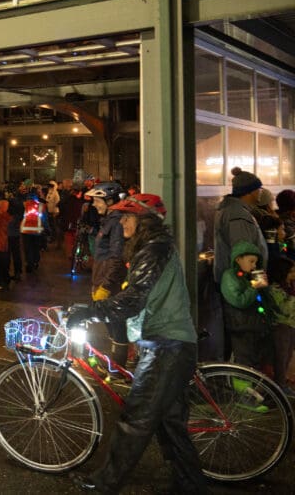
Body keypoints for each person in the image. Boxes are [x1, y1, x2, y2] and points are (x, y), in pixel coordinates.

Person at [68, 194, 207, 494]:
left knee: (136, 419)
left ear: (143, 221)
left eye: (127, 218)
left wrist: (89, 311)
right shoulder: (154, 248)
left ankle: (105, 483)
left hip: (166, 346)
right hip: (171, 342)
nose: (122, 223)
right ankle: (190, 484)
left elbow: (134, 299)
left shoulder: (154, 250)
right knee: (169, 423)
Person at [84, 181, 129, 371]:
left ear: (109, 200)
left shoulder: (117, 222)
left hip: (109, 282)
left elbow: (116, 257)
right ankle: (115, 365)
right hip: (102, 277)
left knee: (116, 325)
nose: (94, 204)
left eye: (97, 200)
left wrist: (106, 286)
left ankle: (118, 369)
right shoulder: (110, 220)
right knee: (111, 323)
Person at [220, 240, 272, 370]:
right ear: (238, 259)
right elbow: (239, 301)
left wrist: (264, 287)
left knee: (257, 362)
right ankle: (242, 390)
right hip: (241, 328)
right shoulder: (229, 276)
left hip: (257, 326)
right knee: (244, 364)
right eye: (251, 261)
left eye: (256, 262)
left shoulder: (249, 276)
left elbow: (265, 301)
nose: (254, 265)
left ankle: (254, 389)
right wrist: (254, 287)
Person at [213, 168, 268, 284]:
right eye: (259, 189)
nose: (260, 192)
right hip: (240, 285)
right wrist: (259, 284)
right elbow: (245, 256)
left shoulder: (235, 211)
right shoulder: (238, 216)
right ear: (250, 191)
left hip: (237, 283)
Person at [265, 256, 295, 396]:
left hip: (290, 325)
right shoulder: (275, 289)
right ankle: (279, 385)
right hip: (280, 325)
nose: (293, 274)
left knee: (288, 354)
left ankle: (282, 382)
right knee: (280, 356)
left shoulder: (290, 286)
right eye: (290, 272)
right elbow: (283, 308)